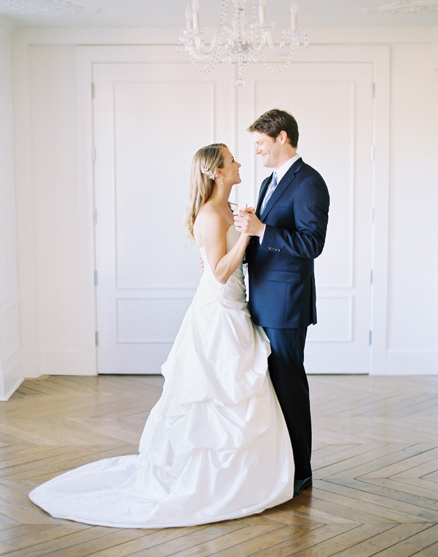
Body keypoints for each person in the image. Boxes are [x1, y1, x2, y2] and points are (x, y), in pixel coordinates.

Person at [29, 143, 294, 528]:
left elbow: (231, 260)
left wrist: (246, 227)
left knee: (238, 392)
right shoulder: (208, 214)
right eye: (231, 160)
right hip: (218, 309)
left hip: (236, 303)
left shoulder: (231, 208)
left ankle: (249, 476)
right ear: (217, 173)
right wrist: (247, 237)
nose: (239, 164)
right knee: (215, 394)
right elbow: (219, 272)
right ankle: (208, 480)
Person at [234, 110, 330, 497]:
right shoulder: (267, 182)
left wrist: (263, 229)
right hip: (263, 298)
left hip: (287, 303)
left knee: (289, 384)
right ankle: (279, 464)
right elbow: (263, 242)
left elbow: (312, 244)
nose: (256, 150)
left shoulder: (309, 182)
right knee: (270, 385)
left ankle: (300, 472)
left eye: (260, 143)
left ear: (282, 138)